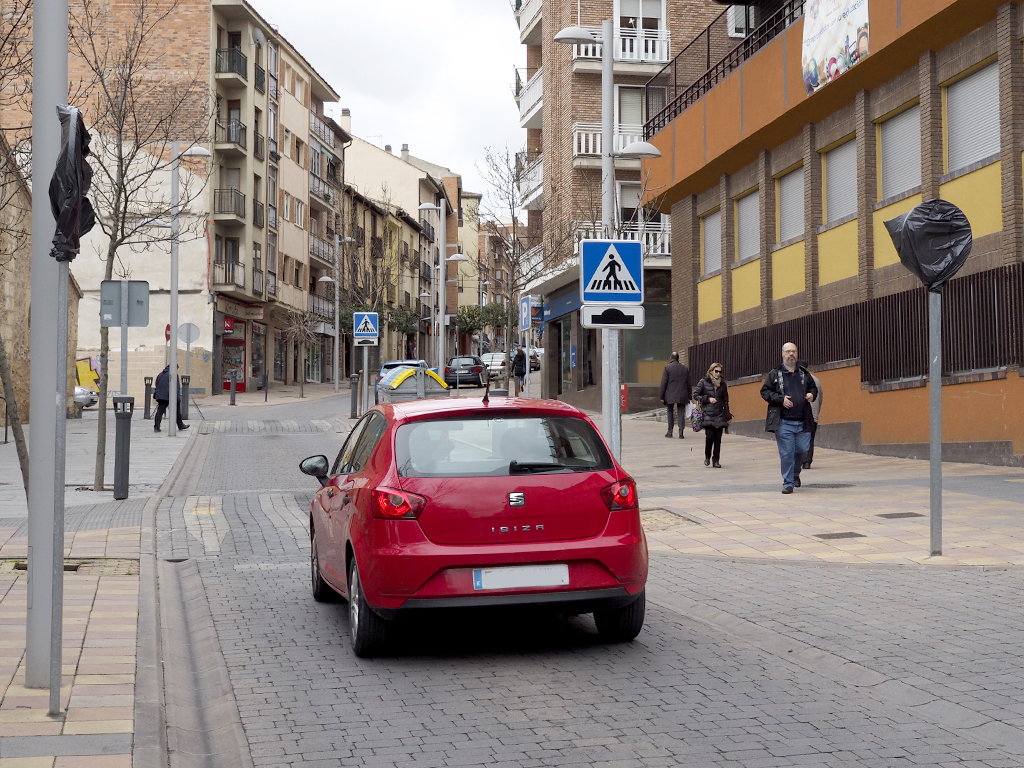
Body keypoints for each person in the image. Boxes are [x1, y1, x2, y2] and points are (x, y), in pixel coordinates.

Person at [760, 342, 817, 494]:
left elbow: (813, 388)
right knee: (787, 453)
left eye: (794, 351)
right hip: (784, 422)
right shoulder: (775, 374)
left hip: (803, 420)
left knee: (803, 450)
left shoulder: (804, 373)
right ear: (782, 354)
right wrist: (780, 399)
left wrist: (812, 394)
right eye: (788, 352)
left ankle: (795, 474)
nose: (791, 354)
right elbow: (765, 392)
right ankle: (788, 483)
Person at [694, 362, 730, 467]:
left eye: (720, 372)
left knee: (718, 439)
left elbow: (726, 400)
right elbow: (696, 395)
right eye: (716, 371)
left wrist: (727, 415)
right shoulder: (703, 382)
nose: (718, 374)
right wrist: (708, 399)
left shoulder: (723, 384)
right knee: (709, 437)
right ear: (711, 371)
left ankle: (716, 460)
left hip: (719, 414)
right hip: (708, 413)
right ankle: (707, 456)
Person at [659, 352, 691, 439]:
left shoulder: (667, 368)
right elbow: (688, 383)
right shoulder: (684, 368)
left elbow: (664, 383)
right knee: (681, 412)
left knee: (670, 411)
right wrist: (689, 396)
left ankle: (670, 431)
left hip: (670, 394)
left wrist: (662, 396)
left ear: (671, 358)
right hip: (682, 394)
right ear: (678, 358)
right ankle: (681, 432)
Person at [153, 364, 189, 433]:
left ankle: (156, 427)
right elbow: (176, 387)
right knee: (177, 411)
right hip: (169, 395)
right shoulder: (174, 375)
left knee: (160, 411)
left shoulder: (161, 374)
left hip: (161, 395)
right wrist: (177, 399)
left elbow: (156, 383)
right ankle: (180, 425)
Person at [800, 361, 823, 469]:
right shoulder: (816, 380)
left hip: (803, 415)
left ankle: (801, 459)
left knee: (799, 437)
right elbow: (820, 398)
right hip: (813, 416)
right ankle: (807, 461)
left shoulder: (800, 379)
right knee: (810, 439)